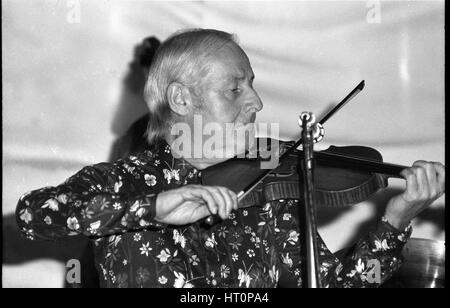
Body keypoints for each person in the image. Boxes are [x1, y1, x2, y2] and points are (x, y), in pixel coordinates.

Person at [16, 29, 445, 288]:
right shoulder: (128, 180)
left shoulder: (269, 192)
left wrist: (397, 218)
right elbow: (33, 215)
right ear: (182, 99)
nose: (256, 103)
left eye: (253, 86)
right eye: (235, 89)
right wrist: (152, 209)